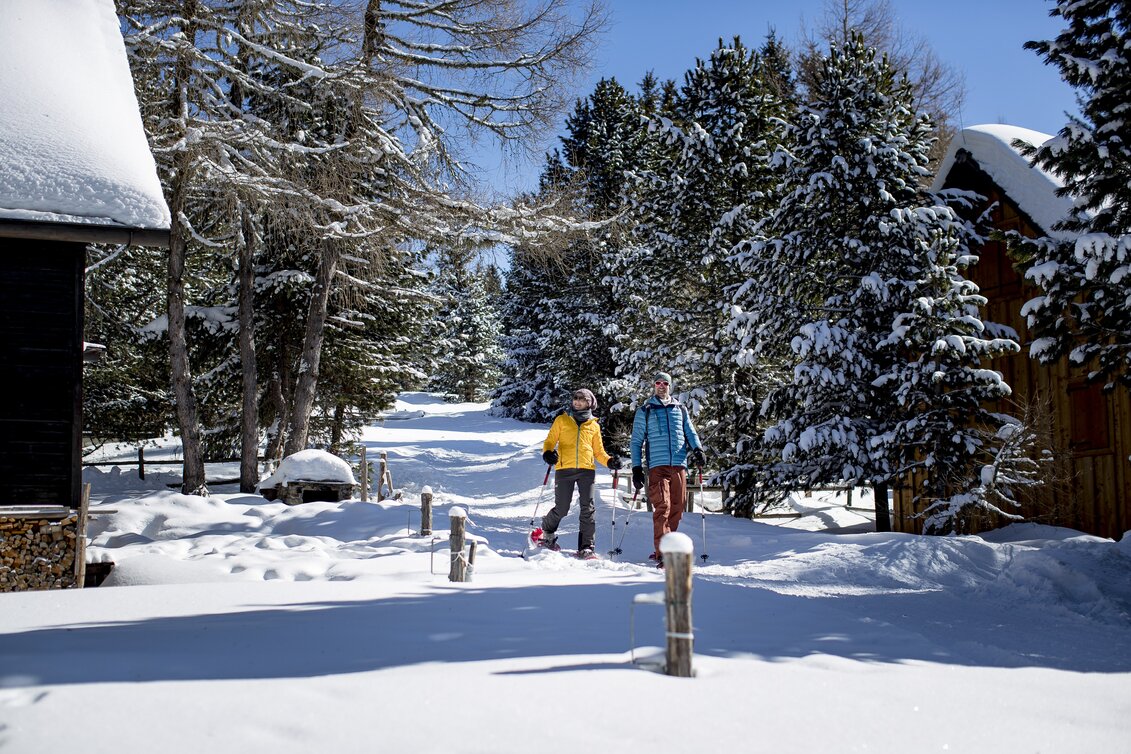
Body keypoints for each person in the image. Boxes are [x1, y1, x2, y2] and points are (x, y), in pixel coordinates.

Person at [534, 388, 623, 558]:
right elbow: (550, 441)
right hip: (564, 469)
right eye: (575, 398)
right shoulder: (562, 420)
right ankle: (547, 529)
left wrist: (610, 461)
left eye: (581, 399)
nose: (577, 401)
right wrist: (548, 453)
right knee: (562, 508)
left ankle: (586, 547)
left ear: (589, 403)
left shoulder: (594, 426)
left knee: (587, 509)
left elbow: (599, 453)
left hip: (586, 471)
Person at [630, 372, 706, 560]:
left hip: (679, 464)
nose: (661, 386)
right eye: (658, 383)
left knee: (677, 508)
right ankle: (664, 552)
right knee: (662, 506)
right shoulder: (645, 410)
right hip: (657, 465)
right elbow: (636, 441)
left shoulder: (679, 409)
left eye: (665, 383)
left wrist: (698, 450)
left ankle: (666, 546)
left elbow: (690, 432)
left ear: (670, 386)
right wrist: (636, 467)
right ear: (654, 386)